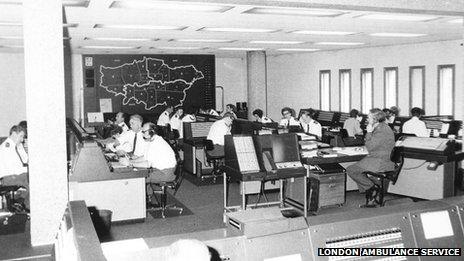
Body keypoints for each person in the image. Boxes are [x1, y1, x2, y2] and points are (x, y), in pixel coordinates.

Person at [346, 108, 395, 207]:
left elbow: (370, 147)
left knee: (351, 169)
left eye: (369, 117)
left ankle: (371, 188)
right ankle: (371, 192)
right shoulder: (382, 127)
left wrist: (368, 132)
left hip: (380, 161)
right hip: (379, 158)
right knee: (356, 169)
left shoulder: (381, 130)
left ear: (375, 119)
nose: (367, 119)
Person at [0, 125, 29, 210]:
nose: (22, 139)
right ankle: (23, 205)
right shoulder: (7, 147)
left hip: (15, 176)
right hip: (9, 178)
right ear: (13, 134)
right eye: (21, 136)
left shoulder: (14, 147)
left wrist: (21, 148)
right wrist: (31, 170)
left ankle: (22, 204)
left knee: (32, 179)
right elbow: (16, 169)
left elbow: (26, 160)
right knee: (33, 181)